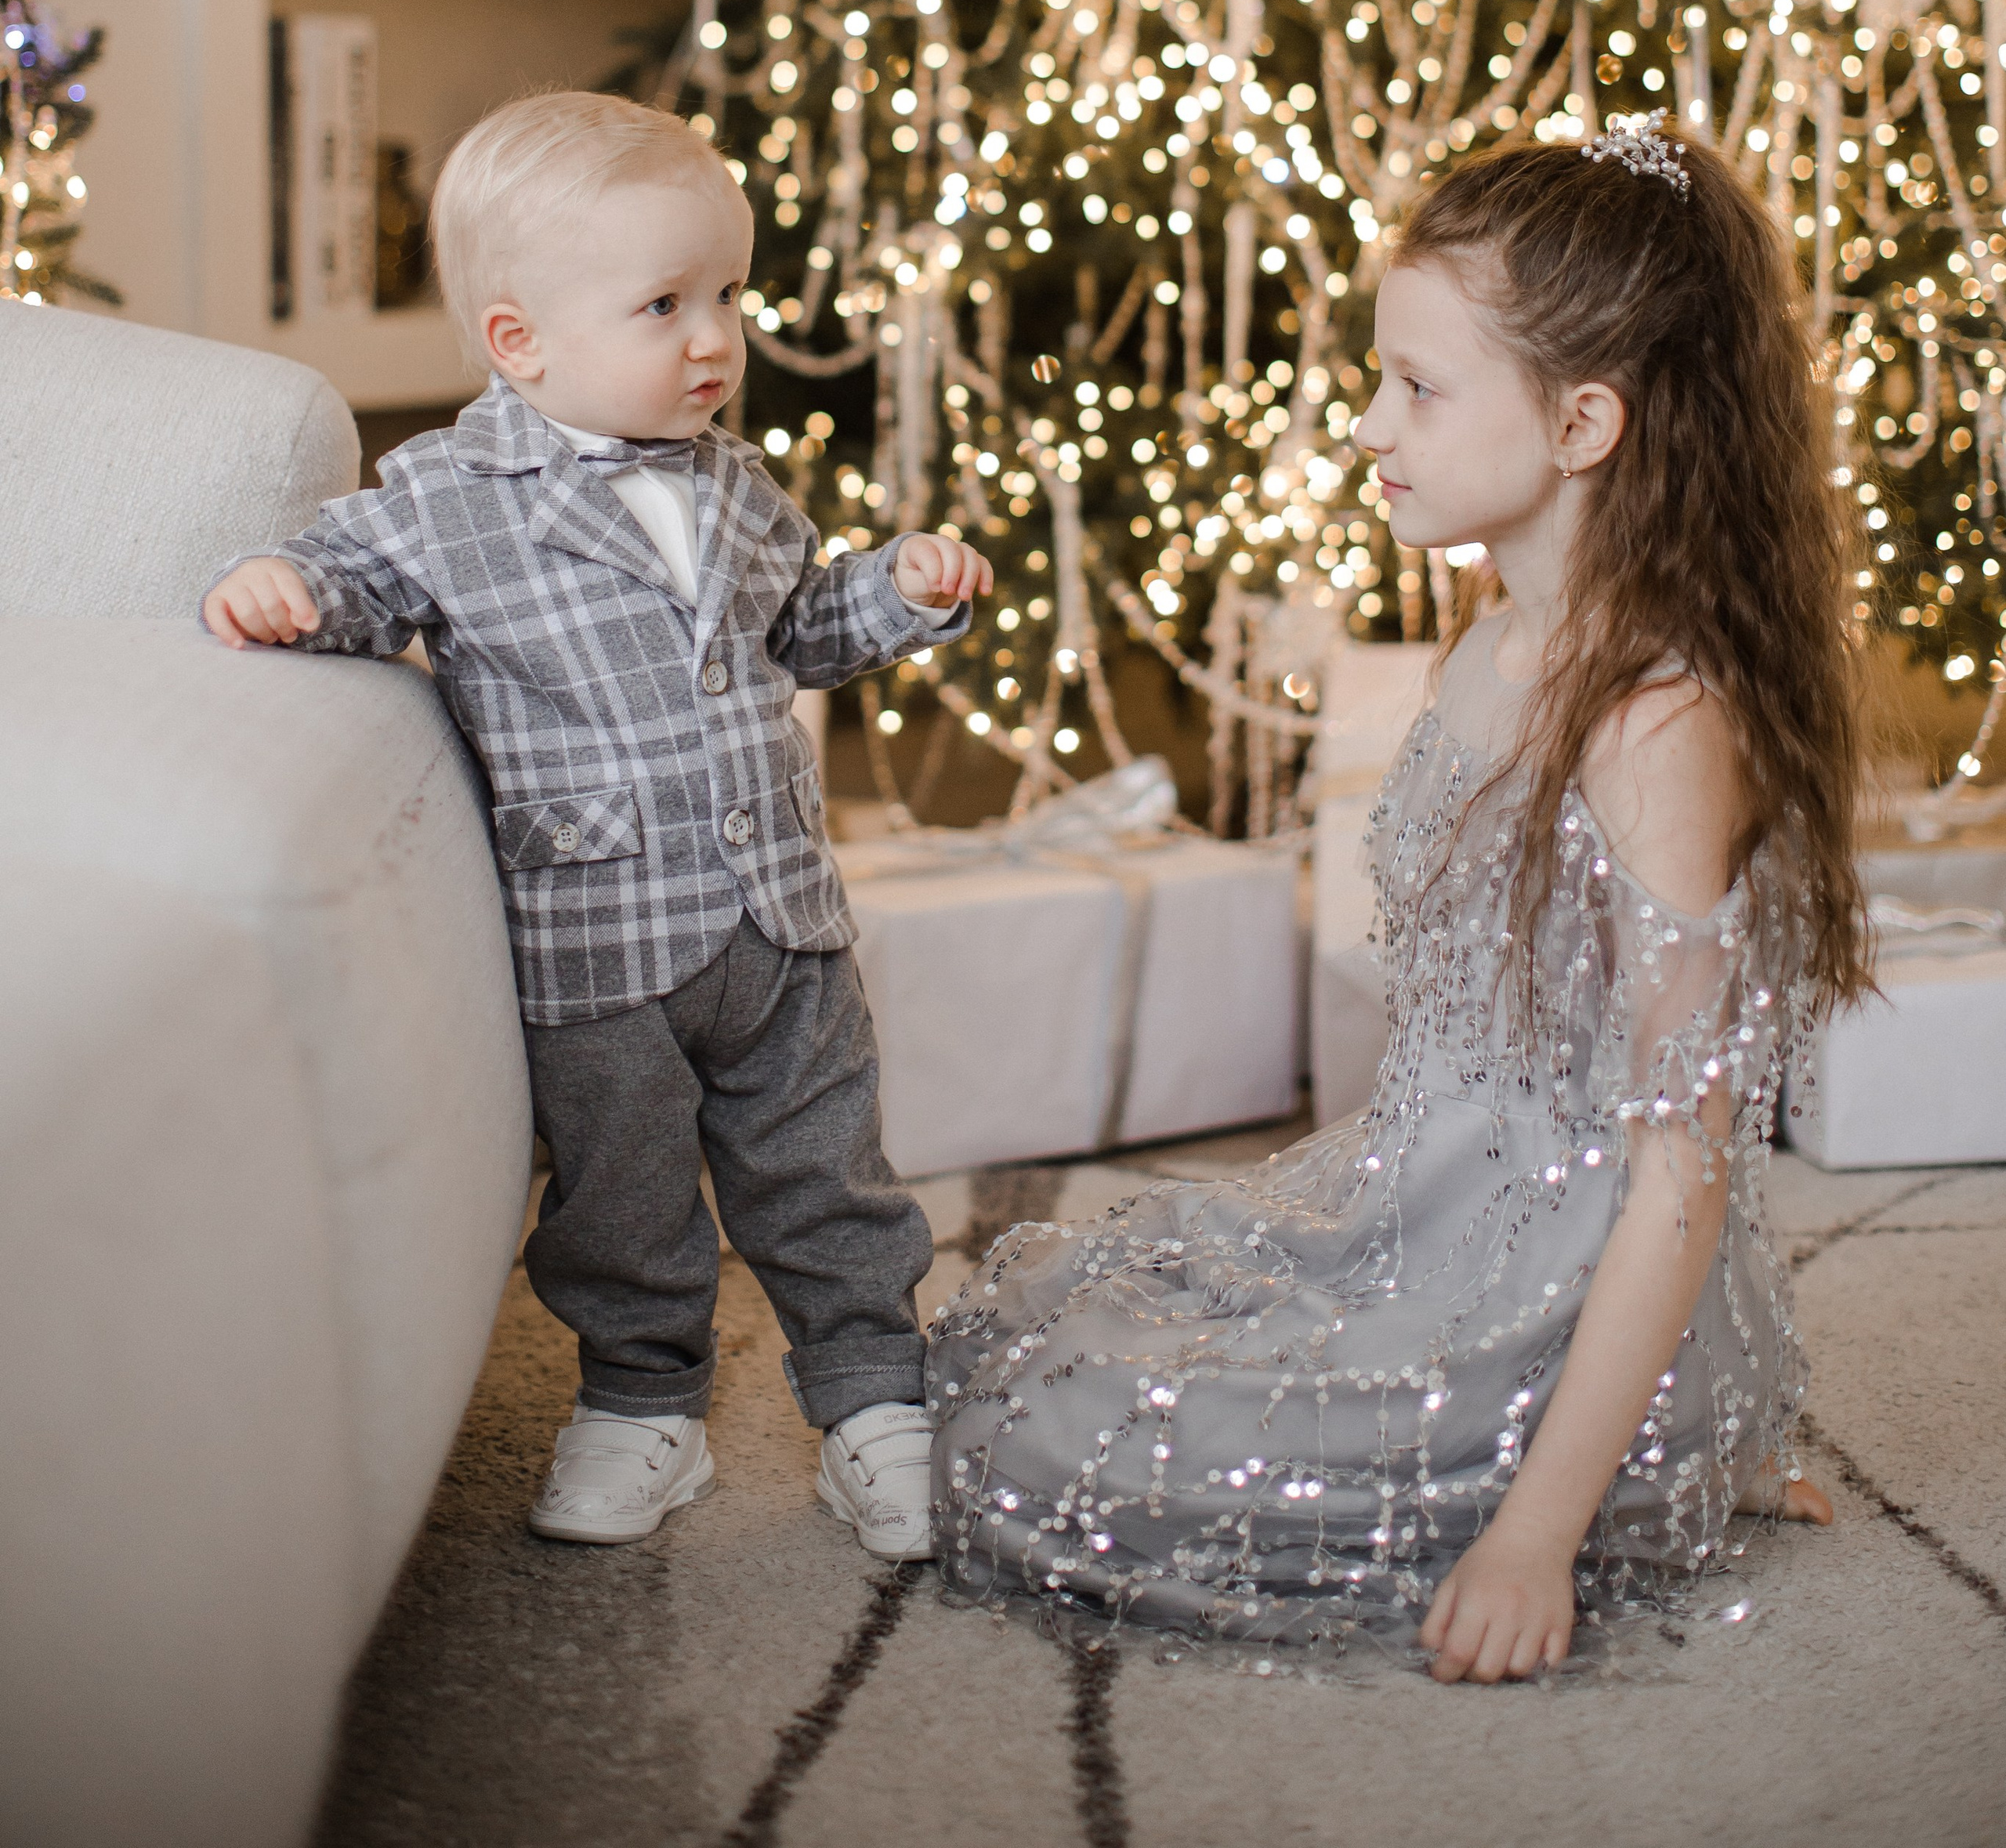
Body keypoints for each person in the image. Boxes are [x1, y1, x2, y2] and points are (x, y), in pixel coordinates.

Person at [927, 118, 1871, 1680]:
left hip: (1564, 1289)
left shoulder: (1652, 730)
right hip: (1428, 1196)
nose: (1366, 429)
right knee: (1040, 1341)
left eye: (1415, 390)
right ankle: (1665, 1448)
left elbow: (1679, 1176)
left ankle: (1650, 1448)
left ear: (1581, 423)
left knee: (1074, 1458)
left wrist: (1532, 1534)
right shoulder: (1494, 629)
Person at [204, 91, 989, 1557]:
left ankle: (876, 1398)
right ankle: (641, 1407)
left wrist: (899, 593)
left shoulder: (744, 489)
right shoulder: (452, 496)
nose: (716, 338)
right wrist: (284, 593)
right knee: (622, 1207)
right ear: (522, 343)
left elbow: (800, 634)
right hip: (599, 940)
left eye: (729, 296)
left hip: (783, 924)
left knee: (827, 1174)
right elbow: (349, 577)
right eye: (665, 304)